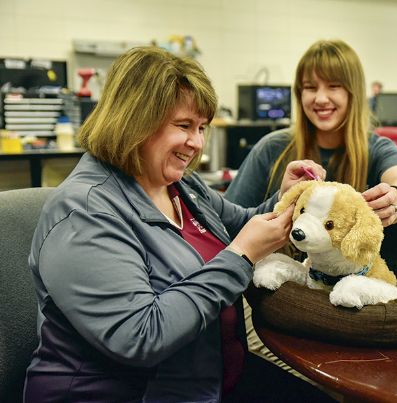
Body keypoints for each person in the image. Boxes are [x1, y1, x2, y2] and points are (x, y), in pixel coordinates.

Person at [23, 46, 334, 403]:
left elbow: (237, 226)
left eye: (202, 128)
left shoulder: (178, 183)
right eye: (184, 126)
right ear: (134, 120)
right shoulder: (84, 211)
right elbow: (141, 336)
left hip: (208, 379)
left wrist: (285, 198)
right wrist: (241, 256)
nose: (197, 143)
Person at [224, 39, 397, 382]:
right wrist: (281, 202)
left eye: (333, 86)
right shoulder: (272, 148)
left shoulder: (376, 150)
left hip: (352, 317)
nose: (320, 98)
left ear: (354, 93)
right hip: (281, 309)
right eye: (309, 87)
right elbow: (231, 224)